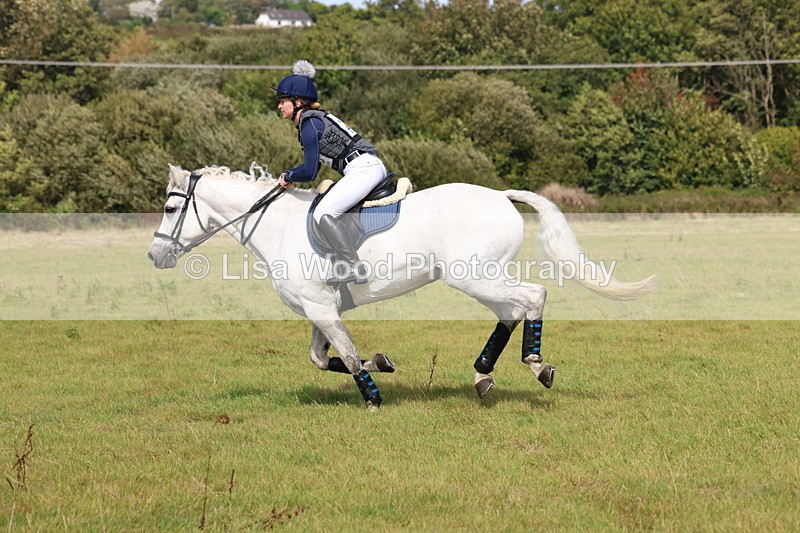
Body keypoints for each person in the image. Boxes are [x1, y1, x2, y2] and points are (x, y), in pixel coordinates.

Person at [274, 60, 387, 286]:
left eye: (282, 101)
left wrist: (288, 176)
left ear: (297, 102)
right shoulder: (313, 121)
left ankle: (354, 267)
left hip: (362, 169)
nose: (279, 106)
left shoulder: (310, 125)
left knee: (323, 211)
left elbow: (309, 172)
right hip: (364, 167)